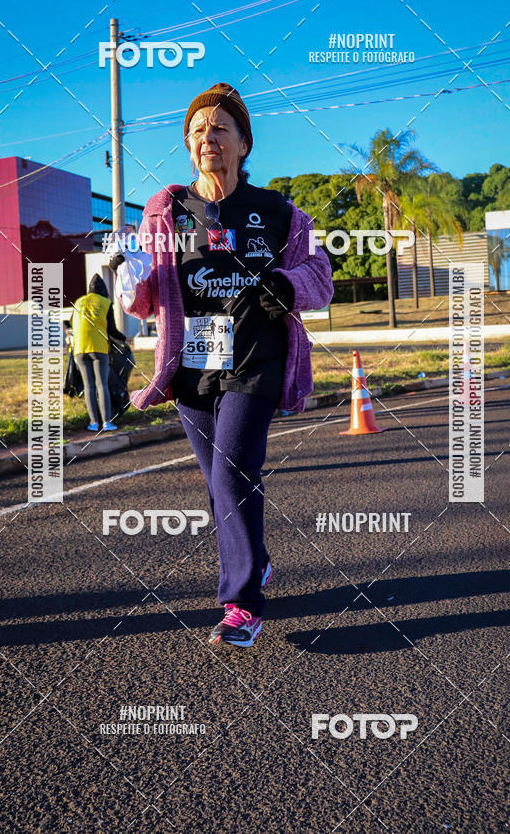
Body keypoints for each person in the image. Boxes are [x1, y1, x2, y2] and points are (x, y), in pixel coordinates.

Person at [108, 82, 333, 647]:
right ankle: (255, 562)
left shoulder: (280, 211)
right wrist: (125, 279)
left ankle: (242, 605)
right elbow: (147, 296)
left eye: (220, 128)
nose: (209, 137)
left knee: (233, 472)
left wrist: (285, 283)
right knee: (219, 484)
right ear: (189, 146)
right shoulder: (167, 209)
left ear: (243, 143)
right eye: (198, 131)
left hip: (258, 356)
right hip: (193, 363)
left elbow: (320, 277)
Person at [70, 273, 126, 433]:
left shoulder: (79, 302)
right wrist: (123, 339)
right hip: (99, 348)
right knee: (102, 385)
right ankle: (107, 422)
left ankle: (93, 423)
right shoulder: (106, 303)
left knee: (88, 386)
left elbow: (72, 323)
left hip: (79, 349)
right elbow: (112, 330)